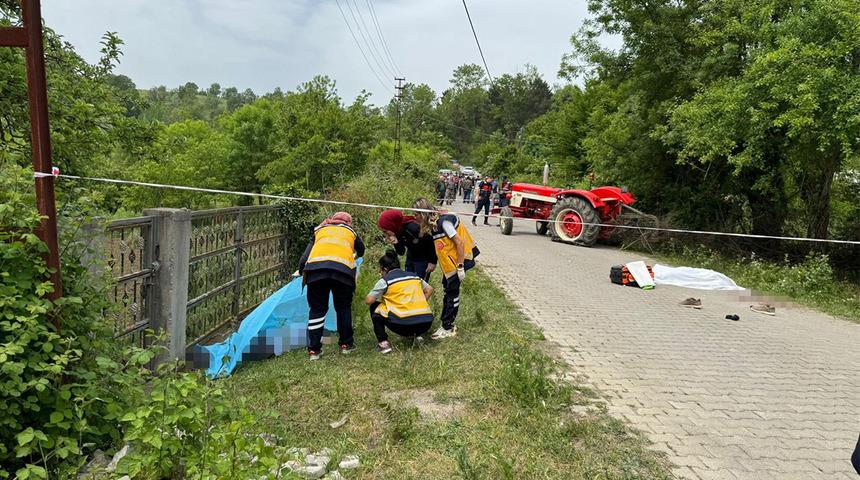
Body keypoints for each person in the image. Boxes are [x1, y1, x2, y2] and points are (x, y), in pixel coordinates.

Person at [298, 211, 365, 360]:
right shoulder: (350, 231)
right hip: (343, 272)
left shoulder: (320, 230)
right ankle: (346, 345)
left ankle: (314, 351)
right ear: (349, 223)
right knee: (343, 308)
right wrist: (353, 255)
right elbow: (362, 250)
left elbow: (305, 257)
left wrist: (301, 270)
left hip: (316, 272)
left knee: (317, 310)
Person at [414, 198, 479, 339]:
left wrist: (460, 267)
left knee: (452, 293)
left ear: (423, 213)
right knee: (448, 290)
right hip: (450, 265)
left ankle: (448, 327)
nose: (415, 218)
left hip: (459, 262)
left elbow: (459, 243)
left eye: (416, 214)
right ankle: (445, 323)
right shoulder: (435, 225)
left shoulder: (443, 223)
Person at [365, 250, 434, 354]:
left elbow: (369, 300)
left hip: (402, 325)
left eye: (381, 270)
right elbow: (429, 289)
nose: (380, 272)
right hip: (425, 323)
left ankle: (383, 343)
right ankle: (416, 336)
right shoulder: (414, 276)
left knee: (374, 307)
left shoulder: (385, 280)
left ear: (385, 269)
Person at [377, 209, 437, 281]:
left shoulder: (412, 228)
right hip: (411, 257)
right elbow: (401, 252)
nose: (385, 235)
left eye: (386, 231)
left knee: (419, 284)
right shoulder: (397, 230)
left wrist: (432, 262)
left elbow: (431, 242)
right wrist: (396, 243)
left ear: (392, 225)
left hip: (423, 259)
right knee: (408, 282)